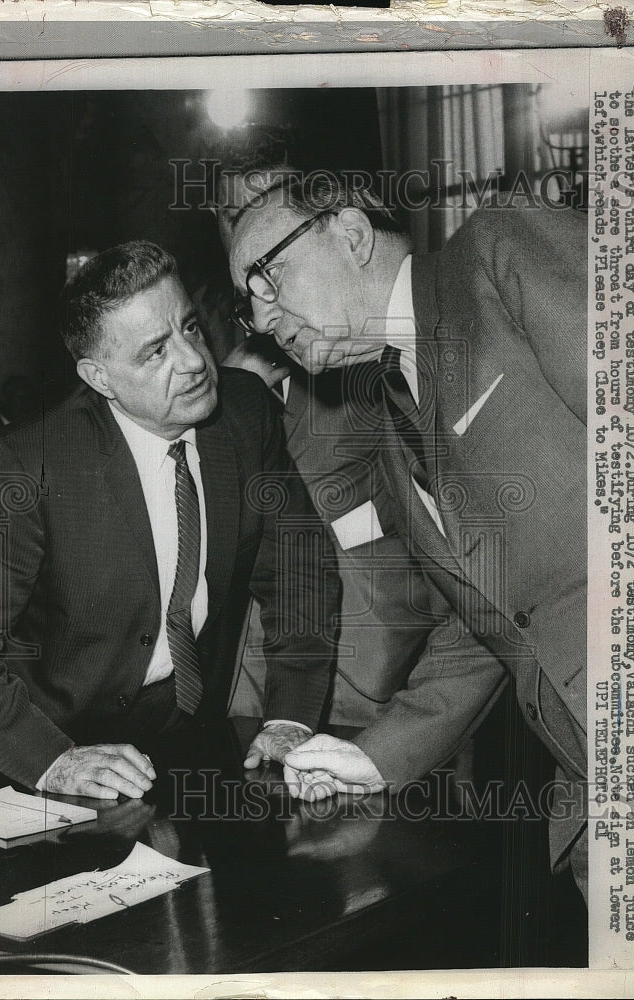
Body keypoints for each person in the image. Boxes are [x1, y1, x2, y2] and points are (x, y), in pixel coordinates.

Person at [228, 174, 588, 898]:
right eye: (248, 307)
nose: (263, 321)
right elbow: (489, 624)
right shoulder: (394, 429)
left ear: (352, 235)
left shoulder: (498, 247)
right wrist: (376, 758)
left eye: (267, 279)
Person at [0, 240, 336, 800]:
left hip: (193, 749)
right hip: (55, 759)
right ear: (100, 379)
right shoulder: (28, 466)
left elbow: (299, 570)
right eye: (155, 352)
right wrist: (53, 761)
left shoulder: (244, 414)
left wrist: (289, 717)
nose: (194, 361)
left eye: (190, 328)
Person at [206, 163, 441, 729]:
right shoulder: (200, 326)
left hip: (367, 658)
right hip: (234, 668)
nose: (248, 221)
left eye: (267, 203)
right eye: (234, 213)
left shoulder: (374, 325)